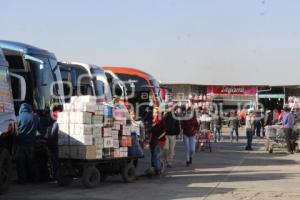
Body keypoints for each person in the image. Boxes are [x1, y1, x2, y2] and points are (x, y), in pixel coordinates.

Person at [16, 103, 39, 184]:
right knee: (31, 162)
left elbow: (15, 131)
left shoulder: (18, 118)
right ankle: (34, 179)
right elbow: (40, 131)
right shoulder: (35, 117)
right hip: (31, 144)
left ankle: (22, 180)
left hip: (21, 144)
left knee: (21, 163)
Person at [149, 107, 166, 175]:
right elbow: (151, 131)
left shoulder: (161, 121)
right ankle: (154, 168)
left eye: (156, 112)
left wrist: (158, 138)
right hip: (152, 141)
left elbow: (165, 131)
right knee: (153, 155)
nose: (154, 114)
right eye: (153, 112)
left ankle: (158, 170)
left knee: (157, 155)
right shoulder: (153, 121)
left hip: (159, 141)